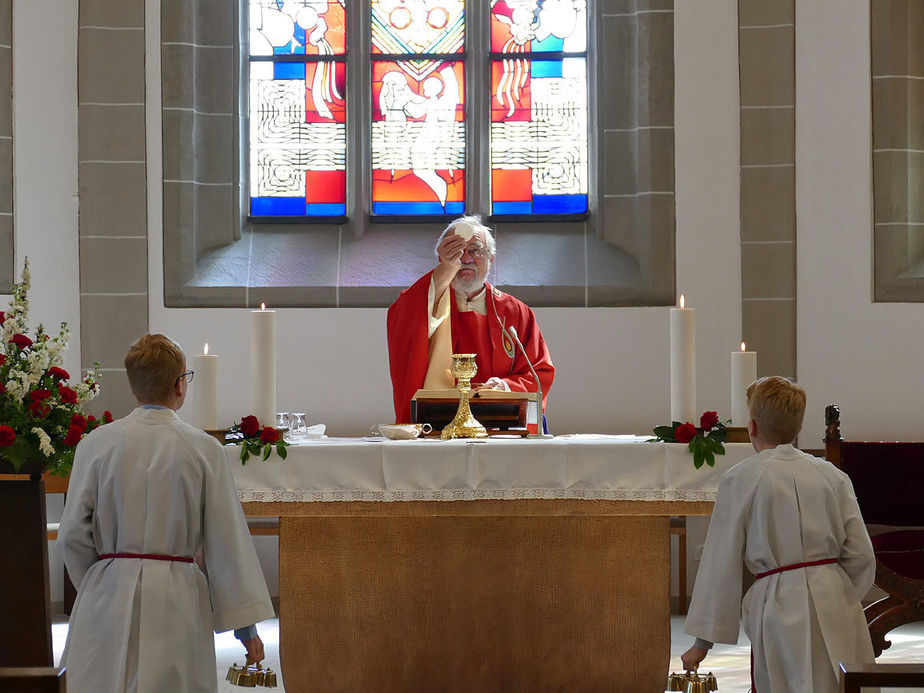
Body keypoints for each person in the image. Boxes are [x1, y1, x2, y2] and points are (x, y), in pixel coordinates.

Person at [58, 334, 275, 693]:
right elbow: (226, 544)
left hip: (107, 593)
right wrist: (246, 629)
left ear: (133, 387)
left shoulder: (95, 444)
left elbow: (71, 535)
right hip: (178, 595)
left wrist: (99, 581)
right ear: (180, 385)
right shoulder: (205, 450)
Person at [681, 376, 876, 692]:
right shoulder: (833, 475)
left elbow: (721, 561)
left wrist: (702, 643)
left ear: (752, 427)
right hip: (836, 599)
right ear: (798, 429)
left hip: (777, 604)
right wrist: (833, 590)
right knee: (837, 683)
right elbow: (861, 555)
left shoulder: (741, 478)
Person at [386, 215, 554, 424]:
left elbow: (539, 372)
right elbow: (401, 320)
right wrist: (446, 269)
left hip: (499, 422)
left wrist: (503, 387)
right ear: (442, 258)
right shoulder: (425, 303)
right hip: (437, 423)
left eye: (475, 250)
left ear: (490, 258)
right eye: (456, 251)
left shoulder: (516, 313)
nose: (465, 259)